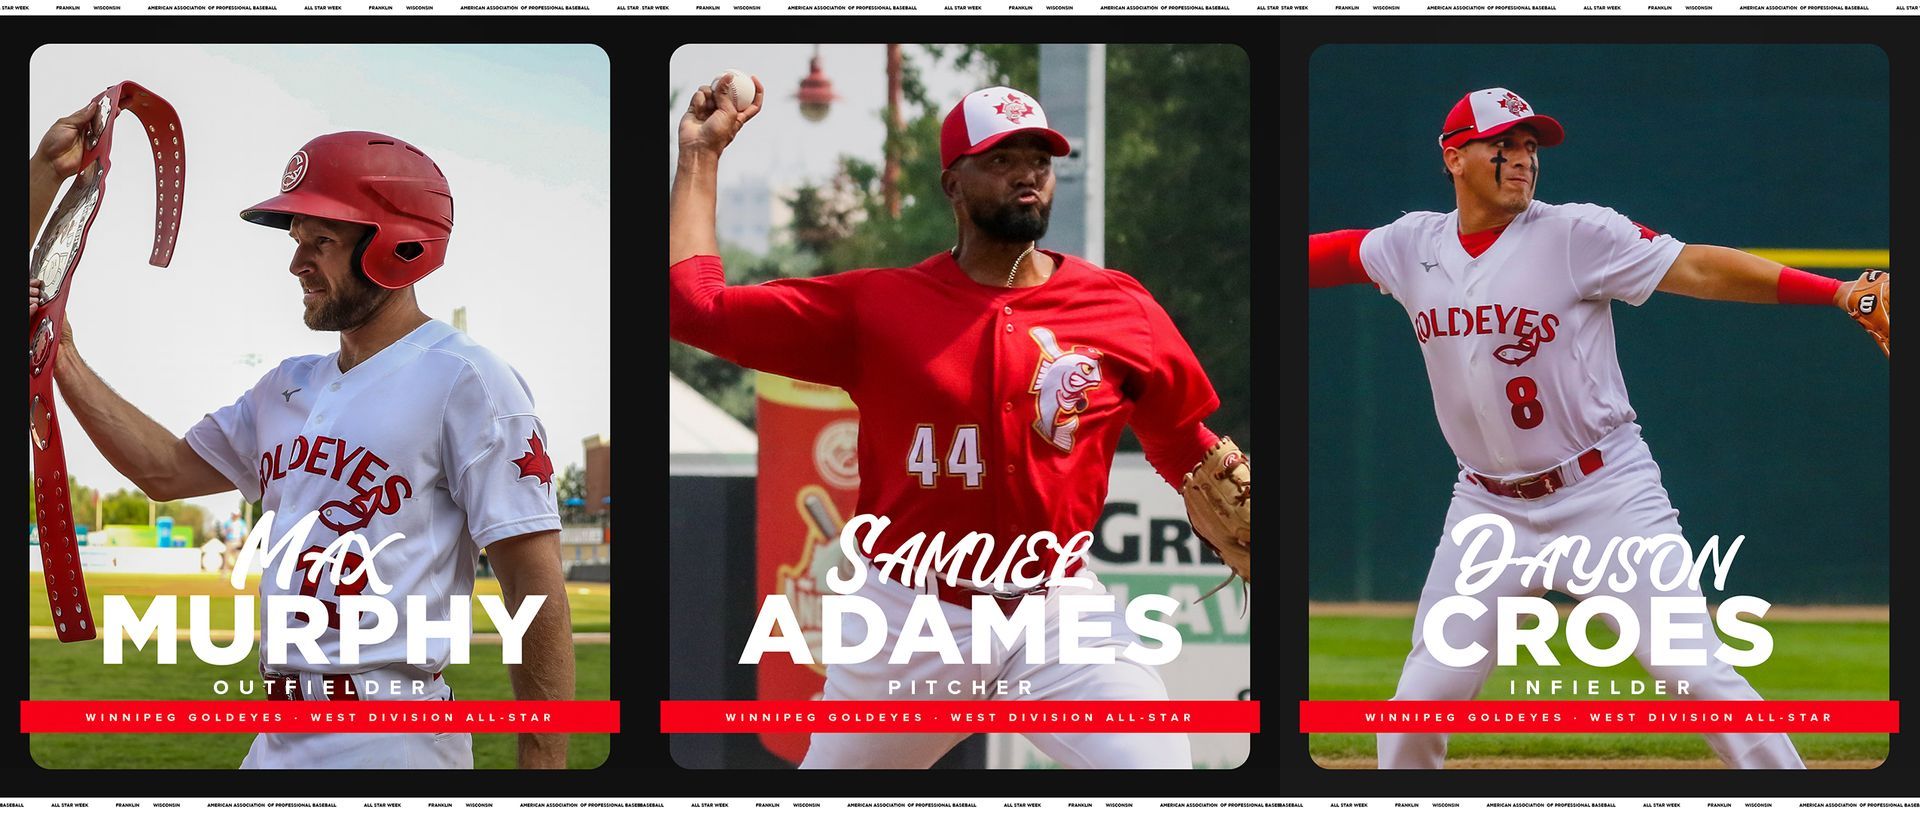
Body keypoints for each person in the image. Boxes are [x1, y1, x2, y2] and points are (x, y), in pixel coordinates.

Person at [671, 77, 1248, 769]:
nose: (1026, 174)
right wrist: (700, 159)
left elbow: (1180, 442)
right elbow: (692, 308)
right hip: (911, 615)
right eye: (1001, 160)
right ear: (953, 184)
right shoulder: (878, 307)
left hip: (1058, 609)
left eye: (1038, 157)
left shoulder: (1117, 307)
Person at [1308, 87, 1889, 770]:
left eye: (1531, 146)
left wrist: (1839, 292)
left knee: (1697, 676)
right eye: (1504, 144)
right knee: (1416, 708)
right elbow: (1335, 255)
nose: (1523, 158)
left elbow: (1698, 267)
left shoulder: (1576, 233)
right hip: (1487, 508)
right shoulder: (1413, 246)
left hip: (1603, 494)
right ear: (1454, 156)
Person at [29, 116, 576, 769]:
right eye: (297, 238)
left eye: (321, 240)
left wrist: (541, 775)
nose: (296, 263)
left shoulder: (469, 381)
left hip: (390, 742)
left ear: (399, 245)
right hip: (277, 740)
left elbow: (535, 589)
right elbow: (166, 471)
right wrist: (61, 357)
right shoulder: (285, 385)